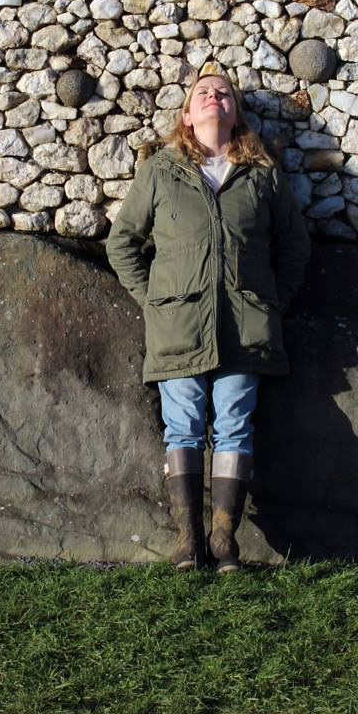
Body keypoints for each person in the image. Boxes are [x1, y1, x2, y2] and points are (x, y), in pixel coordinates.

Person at [105, 64, 311, 572]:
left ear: (236, 113)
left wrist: (271, 302)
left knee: (235, 425)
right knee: (184, 426)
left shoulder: (262, 173)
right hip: (178, 326)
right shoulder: (160, 170)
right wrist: (153, 300)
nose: (213, 97)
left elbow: (295, 247)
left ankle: (224, 538)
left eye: (223, 93)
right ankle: (187, 540)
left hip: (247, 326)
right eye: (203, 92)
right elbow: (123, 243)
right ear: (186, 114)